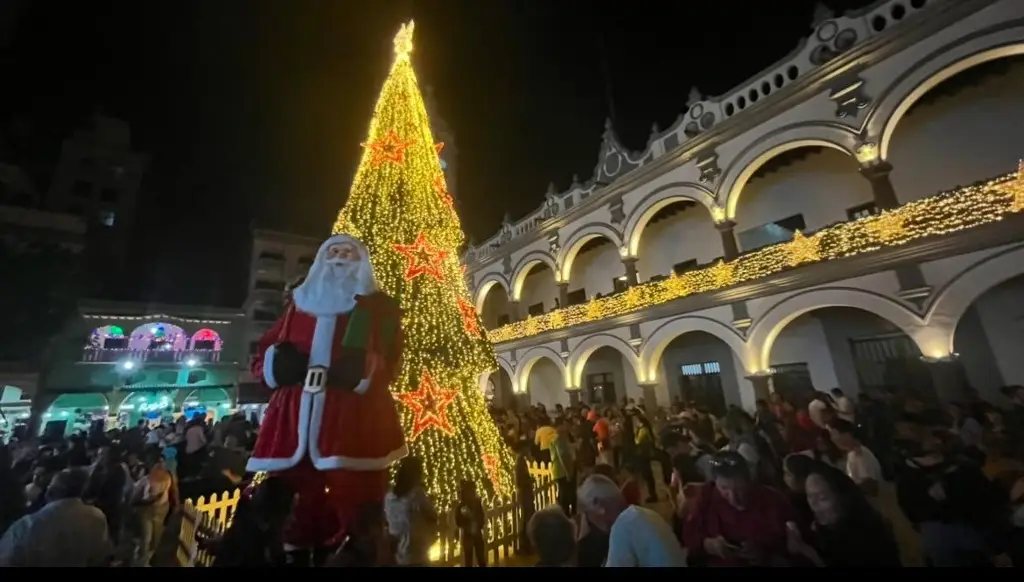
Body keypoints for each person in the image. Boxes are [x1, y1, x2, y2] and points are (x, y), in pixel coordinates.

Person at [246, 234, 408, 557]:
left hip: (350, 415)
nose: (340, 257)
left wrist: (366, 371)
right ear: (322, 258)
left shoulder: (375, 307)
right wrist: (277, 364)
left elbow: (393, 358)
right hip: (294, 417)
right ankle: (295, 549)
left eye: (349, 253)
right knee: (293, 499)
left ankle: (356, 551)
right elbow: (264, 350)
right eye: (334, 251)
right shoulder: (299, 304)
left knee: (356, 494)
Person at [682, 451, 792, 566]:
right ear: (715, 483)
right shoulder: (707, 497)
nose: (733, 498)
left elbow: (790, 542)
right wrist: (708, 544)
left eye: (739, 489)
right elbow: (689, 534)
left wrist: (764, 550)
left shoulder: (772, 500)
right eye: (724, 488)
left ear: (749, 480)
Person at [786, 464, 902, 567]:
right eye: (809, 495)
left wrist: (805, 551)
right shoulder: (822, 529)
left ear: (842, 499)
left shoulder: (866, 538)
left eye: (822, 498)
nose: (813, 504)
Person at [0, 468, 113, 567]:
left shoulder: (27, 526)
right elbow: (100, 556)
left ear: (51, 491)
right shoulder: (97, 517)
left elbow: (5, 559)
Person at [578, 474, 687, 567]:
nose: (590, 522)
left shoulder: (622, 527)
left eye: (588, 514)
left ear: (598, 506)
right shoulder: (646, 514)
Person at [384, 456, 437, 566]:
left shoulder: (389, 497)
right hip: (415, 552)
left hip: (396, 552)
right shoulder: (416, 495)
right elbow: (432, 515)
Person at [454, 479, 486, 567]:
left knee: (480, 557)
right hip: (467, 536)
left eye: (473, 491)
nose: (472, 493)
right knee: (468, 559)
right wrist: (466, 524)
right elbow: (458, 521)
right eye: (469, 491)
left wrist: (478, 524)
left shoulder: (477, 504)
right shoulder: (461, 506)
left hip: (477, 534)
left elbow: (481, 517)